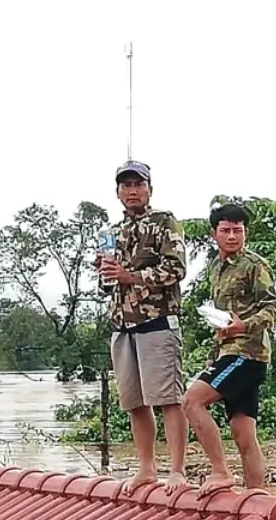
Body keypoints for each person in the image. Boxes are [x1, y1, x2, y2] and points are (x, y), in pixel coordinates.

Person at [97, 160, 189, 493]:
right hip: (122, 325)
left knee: (168, 399)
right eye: (126, 185)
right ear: (118, 191)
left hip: (157, 322)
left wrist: (131, 276)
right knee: (134, 402)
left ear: (150, 188)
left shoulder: (165, 223)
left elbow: (176, 270)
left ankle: (177, 470)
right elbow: (107, 286)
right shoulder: (112, 232)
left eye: (138, 184)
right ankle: (146, 468)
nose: (132, 190)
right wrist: (106, 272)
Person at [182, 203, 276, 497]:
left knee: (192, 401)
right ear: (215, 234)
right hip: (227, 352)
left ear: (245, 233)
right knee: (243, 434)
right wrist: (217, 344)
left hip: (246, 354)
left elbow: (274, 308)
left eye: (238, 230)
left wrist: (244, 326)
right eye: (226, 230)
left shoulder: (255, 265)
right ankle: (257, 499)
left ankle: (221, 473)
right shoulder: (215, 268)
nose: (232, 236)